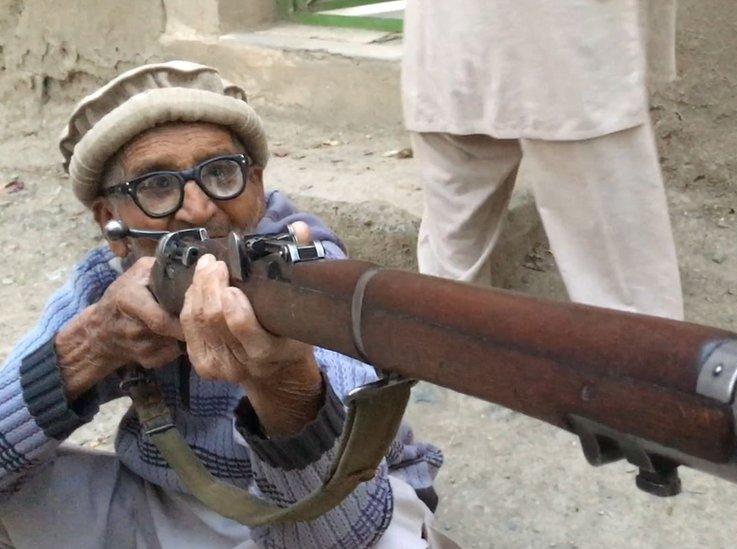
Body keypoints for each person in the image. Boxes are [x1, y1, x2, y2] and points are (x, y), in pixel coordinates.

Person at [0, 61, 448, 548]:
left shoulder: (309, 276)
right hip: (170, 501)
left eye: (219, 172)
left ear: (254, 185)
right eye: (156, 184)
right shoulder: (108, 288)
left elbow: (337, 532)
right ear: (111, 221)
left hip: (338, 512)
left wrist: (284, 386)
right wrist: (92, 346)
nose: (198, 208)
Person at [402, 0, 685, 319]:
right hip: (567, 42)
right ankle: (646, 365)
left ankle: (450, 360)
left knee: (452, 272)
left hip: (451, 38)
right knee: (625, 293)